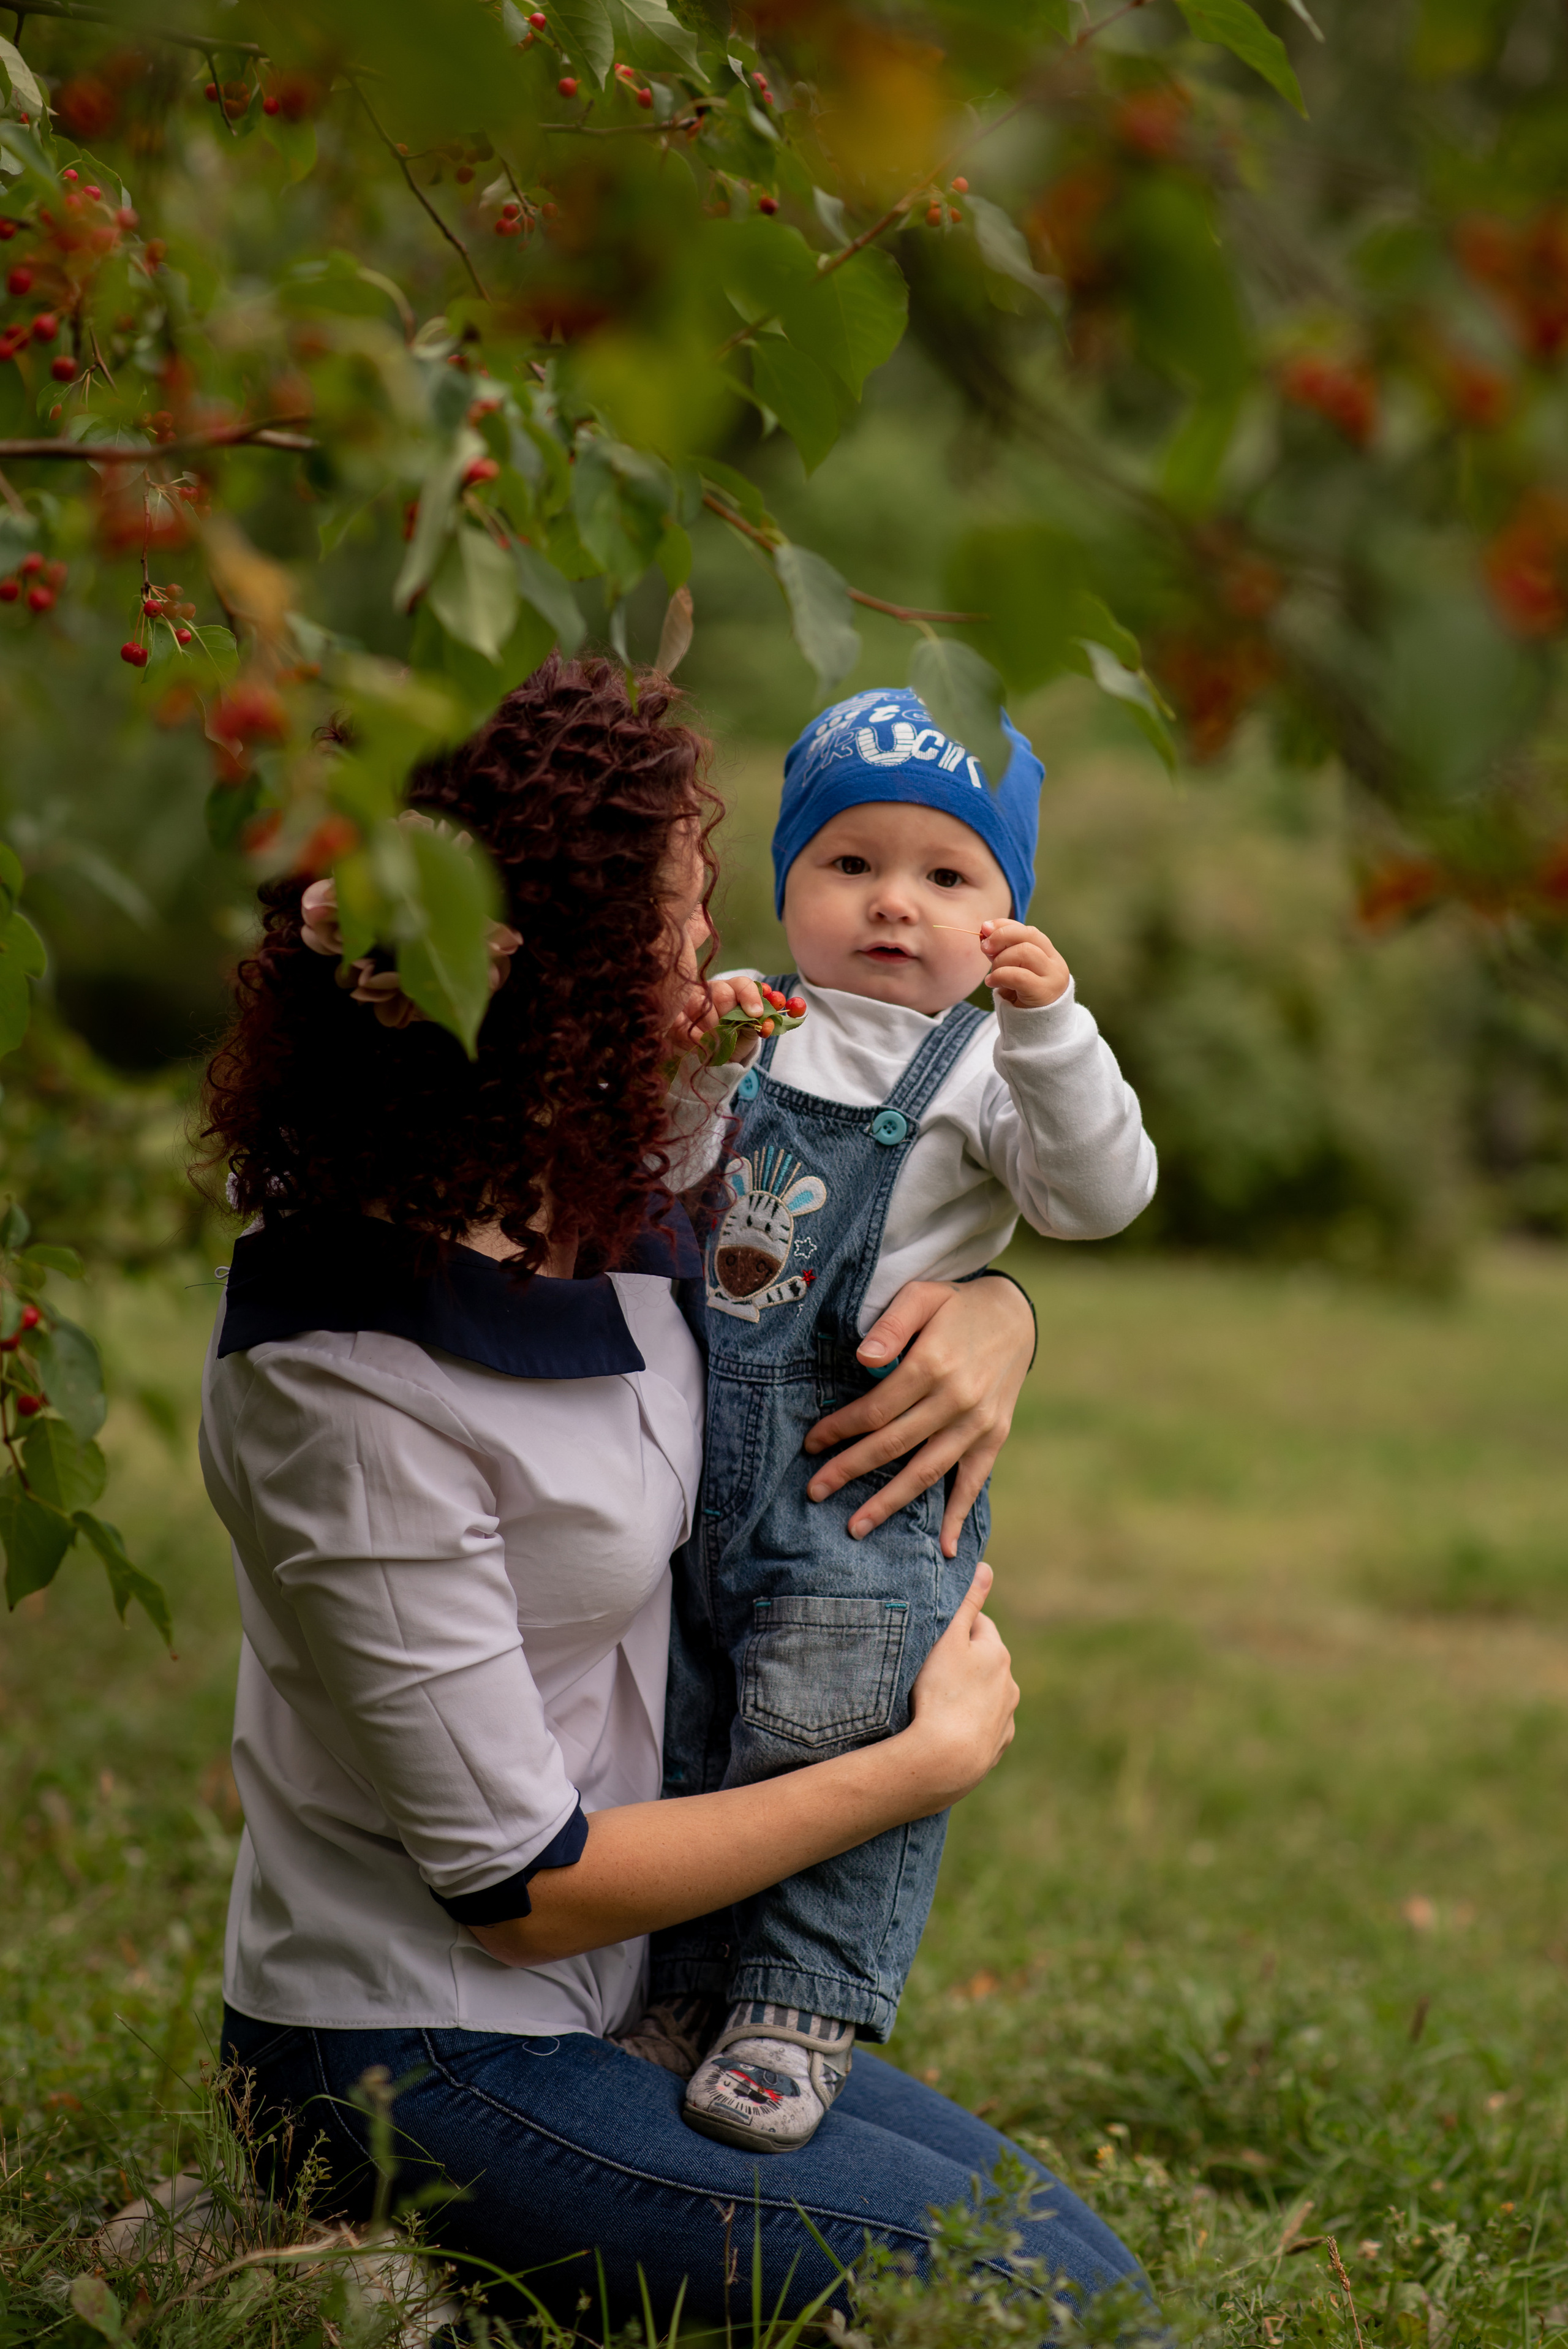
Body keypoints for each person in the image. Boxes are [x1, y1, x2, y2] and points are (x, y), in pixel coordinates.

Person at [197, 657, 1150, 2334]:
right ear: (549, 987)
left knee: (1070, 2258)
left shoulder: (623, 1204)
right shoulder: (340, 1379)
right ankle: (337, 2241)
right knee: (1031, 2299)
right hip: (420, 2042)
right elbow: (522, 1891)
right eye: (679, 937)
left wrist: (997, 1317)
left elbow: (853, 1265)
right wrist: (917, 1766)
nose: (722, 983)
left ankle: (499, 2278)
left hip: (651, 1989)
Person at [655, 687, 1156, 2155]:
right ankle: (680, 1987)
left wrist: (1050, 1024)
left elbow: (1096, 1196)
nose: (894, 905)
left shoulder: (994, 1066)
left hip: (860, 1478)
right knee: (692, 1723)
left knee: (843, 1716)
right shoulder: (757, 1022)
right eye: (850, 863)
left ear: (1004, 912)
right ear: (788, 885)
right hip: (700, 1461)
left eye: (947, 877)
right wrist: (696, 1059)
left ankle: (800, 2001)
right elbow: (668, 1177)